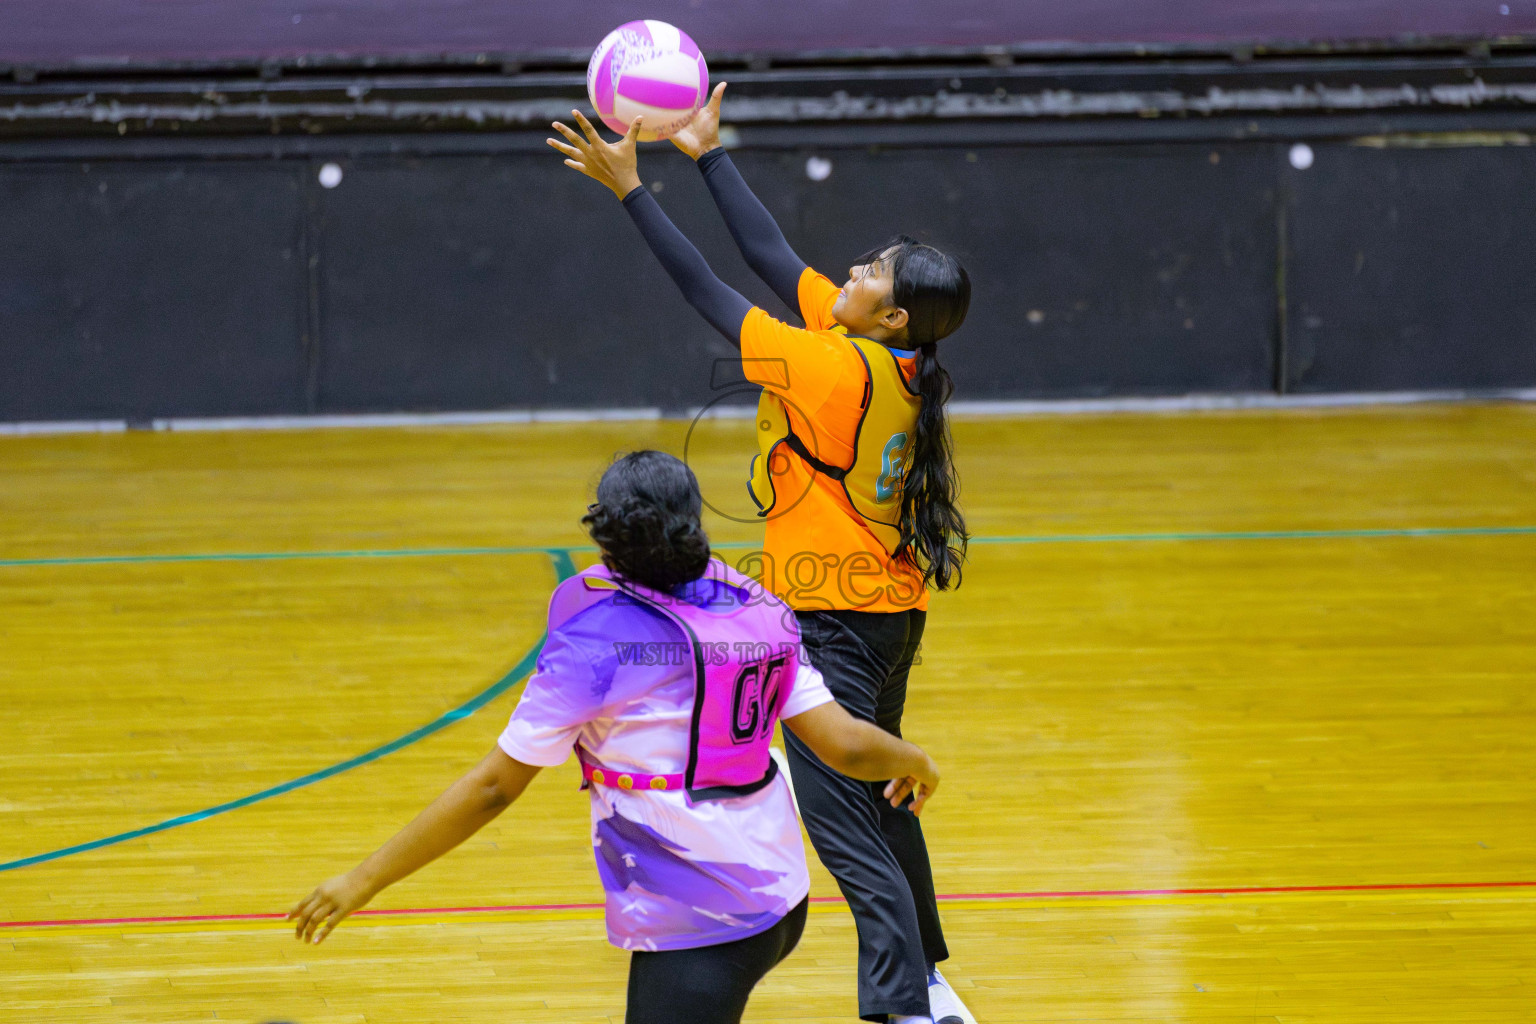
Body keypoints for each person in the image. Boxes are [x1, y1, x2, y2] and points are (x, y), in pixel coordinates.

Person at [547, 86, 974, 1024]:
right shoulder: (893, 356)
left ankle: (904, 1005)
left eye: (871, 271)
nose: (851, 271)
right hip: (889, 610)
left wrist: (631, 190)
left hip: (833, 620)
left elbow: (710, 290)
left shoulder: (828, 367)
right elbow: (774, 257)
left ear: (892, 315)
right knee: (884, 788)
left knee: (843, 819)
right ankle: (934, 983)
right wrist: (707, 153)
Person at [289, 450, 942, 1024]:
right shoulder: (753, 602)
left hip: (703, 909)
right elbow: (846, 746)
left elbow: (493, 789)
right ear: (694, 520)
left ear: (606, 532)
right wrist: (916, 759)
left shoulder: (596, 641)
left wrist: (363, 880)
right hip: (779, 892)